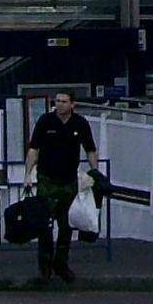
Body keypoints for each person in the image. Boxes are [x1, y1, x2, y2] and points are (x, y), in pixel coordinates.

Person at [22, 91, 97, 284]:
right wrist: (28, 174)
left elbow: (90, 149)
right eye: (57, 101)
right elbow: (34, 149)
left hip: (69, 180)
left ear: (73, 104)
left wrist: (95, 172)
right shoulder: (46, 121)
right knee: (45, 224)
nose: (60, 105)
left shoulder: (80, 123)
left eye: (64, 102)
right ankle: (44, 267)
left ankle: (61, 264)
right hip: (47, 178)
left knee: (66, 225)